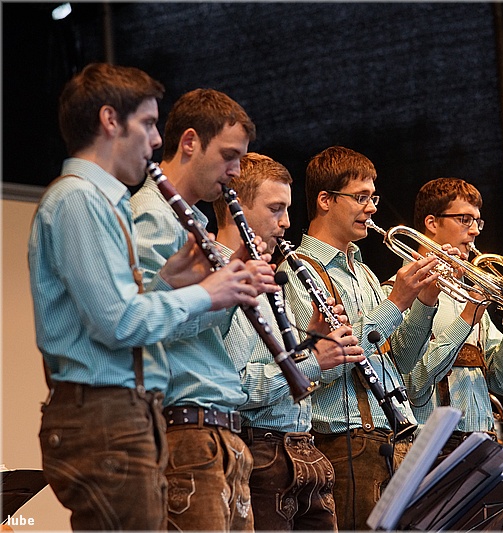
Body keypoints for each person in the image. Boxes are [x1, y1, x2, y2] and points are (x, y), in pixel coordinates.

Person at [29, 63, 262, 530]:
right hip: (106, 414)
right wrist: (207, 293)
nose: (157, 140)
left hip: (122, 412)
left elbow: (117, 316)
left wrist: (168, 283)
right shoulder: (79, 199)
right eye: (149, 124)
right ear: (110, 121)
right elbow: (119, 324)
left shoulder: (102, 201)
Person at [276, 145, 442, 530]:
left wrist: (423, 302)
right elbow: (322, 367)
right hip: (347, 445)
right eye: (361, 197)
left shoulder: (364, 273)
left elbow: (399, 362)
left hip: (394, 438)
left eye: (373, 198)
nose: (371, 209)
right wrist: (396, 302)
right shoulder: (297, 272)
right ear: (325, 200)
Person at [131, 89, 274, 531]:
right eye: (229, 156)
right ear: (190, 142)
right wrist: (228, 293)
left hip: (218, 432)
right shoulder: (154, 215)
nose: (236, 171)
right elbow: (149, 323)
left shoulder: (194, 221)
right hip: (188, 428)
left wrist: (236, 284)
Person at [213, 152, 367, 530]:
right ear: (236, 208)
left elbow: (279, 366)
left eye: (287, 209)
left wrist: (312, 341)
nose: (285, 222)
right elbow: (234, 386)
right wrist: (314, 360)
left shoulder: (265, 277)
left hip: (300, 447)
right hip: (261, 451)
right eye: (275, 209)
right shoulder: (217, 275)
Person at [399, 177, 503, 461]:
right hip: (432, 451)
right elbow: (413, 384)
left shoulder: (466, 296)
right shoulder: (397, 293)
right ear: (432, 223)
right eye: (464, 220)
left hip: (482, 445)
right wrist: (467, 317)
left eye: (477, 222)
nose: (474, 230)